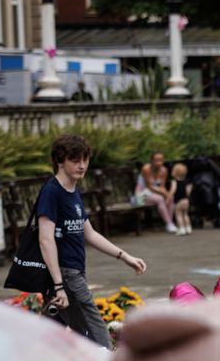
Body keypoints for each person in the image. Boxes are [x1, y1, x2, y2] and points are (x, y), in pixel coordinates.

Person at [38, 134, 147, 348]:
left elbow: (90, 233)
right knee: (100, 342)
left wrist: (125, 256)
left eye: (85, 160)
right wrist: (59, 285)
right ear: (60, 161)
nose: (82, 165)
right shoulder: (52, 192)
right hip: (66, 276)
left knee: (53, 341)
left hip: (74, 273)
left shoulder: (73, 191)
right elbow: (45, 239)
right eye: (75, 160)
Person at [170, 162, 193, 235]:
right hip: (186, 200)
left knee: (178, 214)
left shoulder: (174, 181)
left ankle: (182, 229)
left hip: (178, 200)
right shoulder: (186, 182)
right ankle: (188, 228)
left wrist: (169, 196)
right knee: (186, 214)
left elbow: (173, 190)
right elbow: (188, 191)